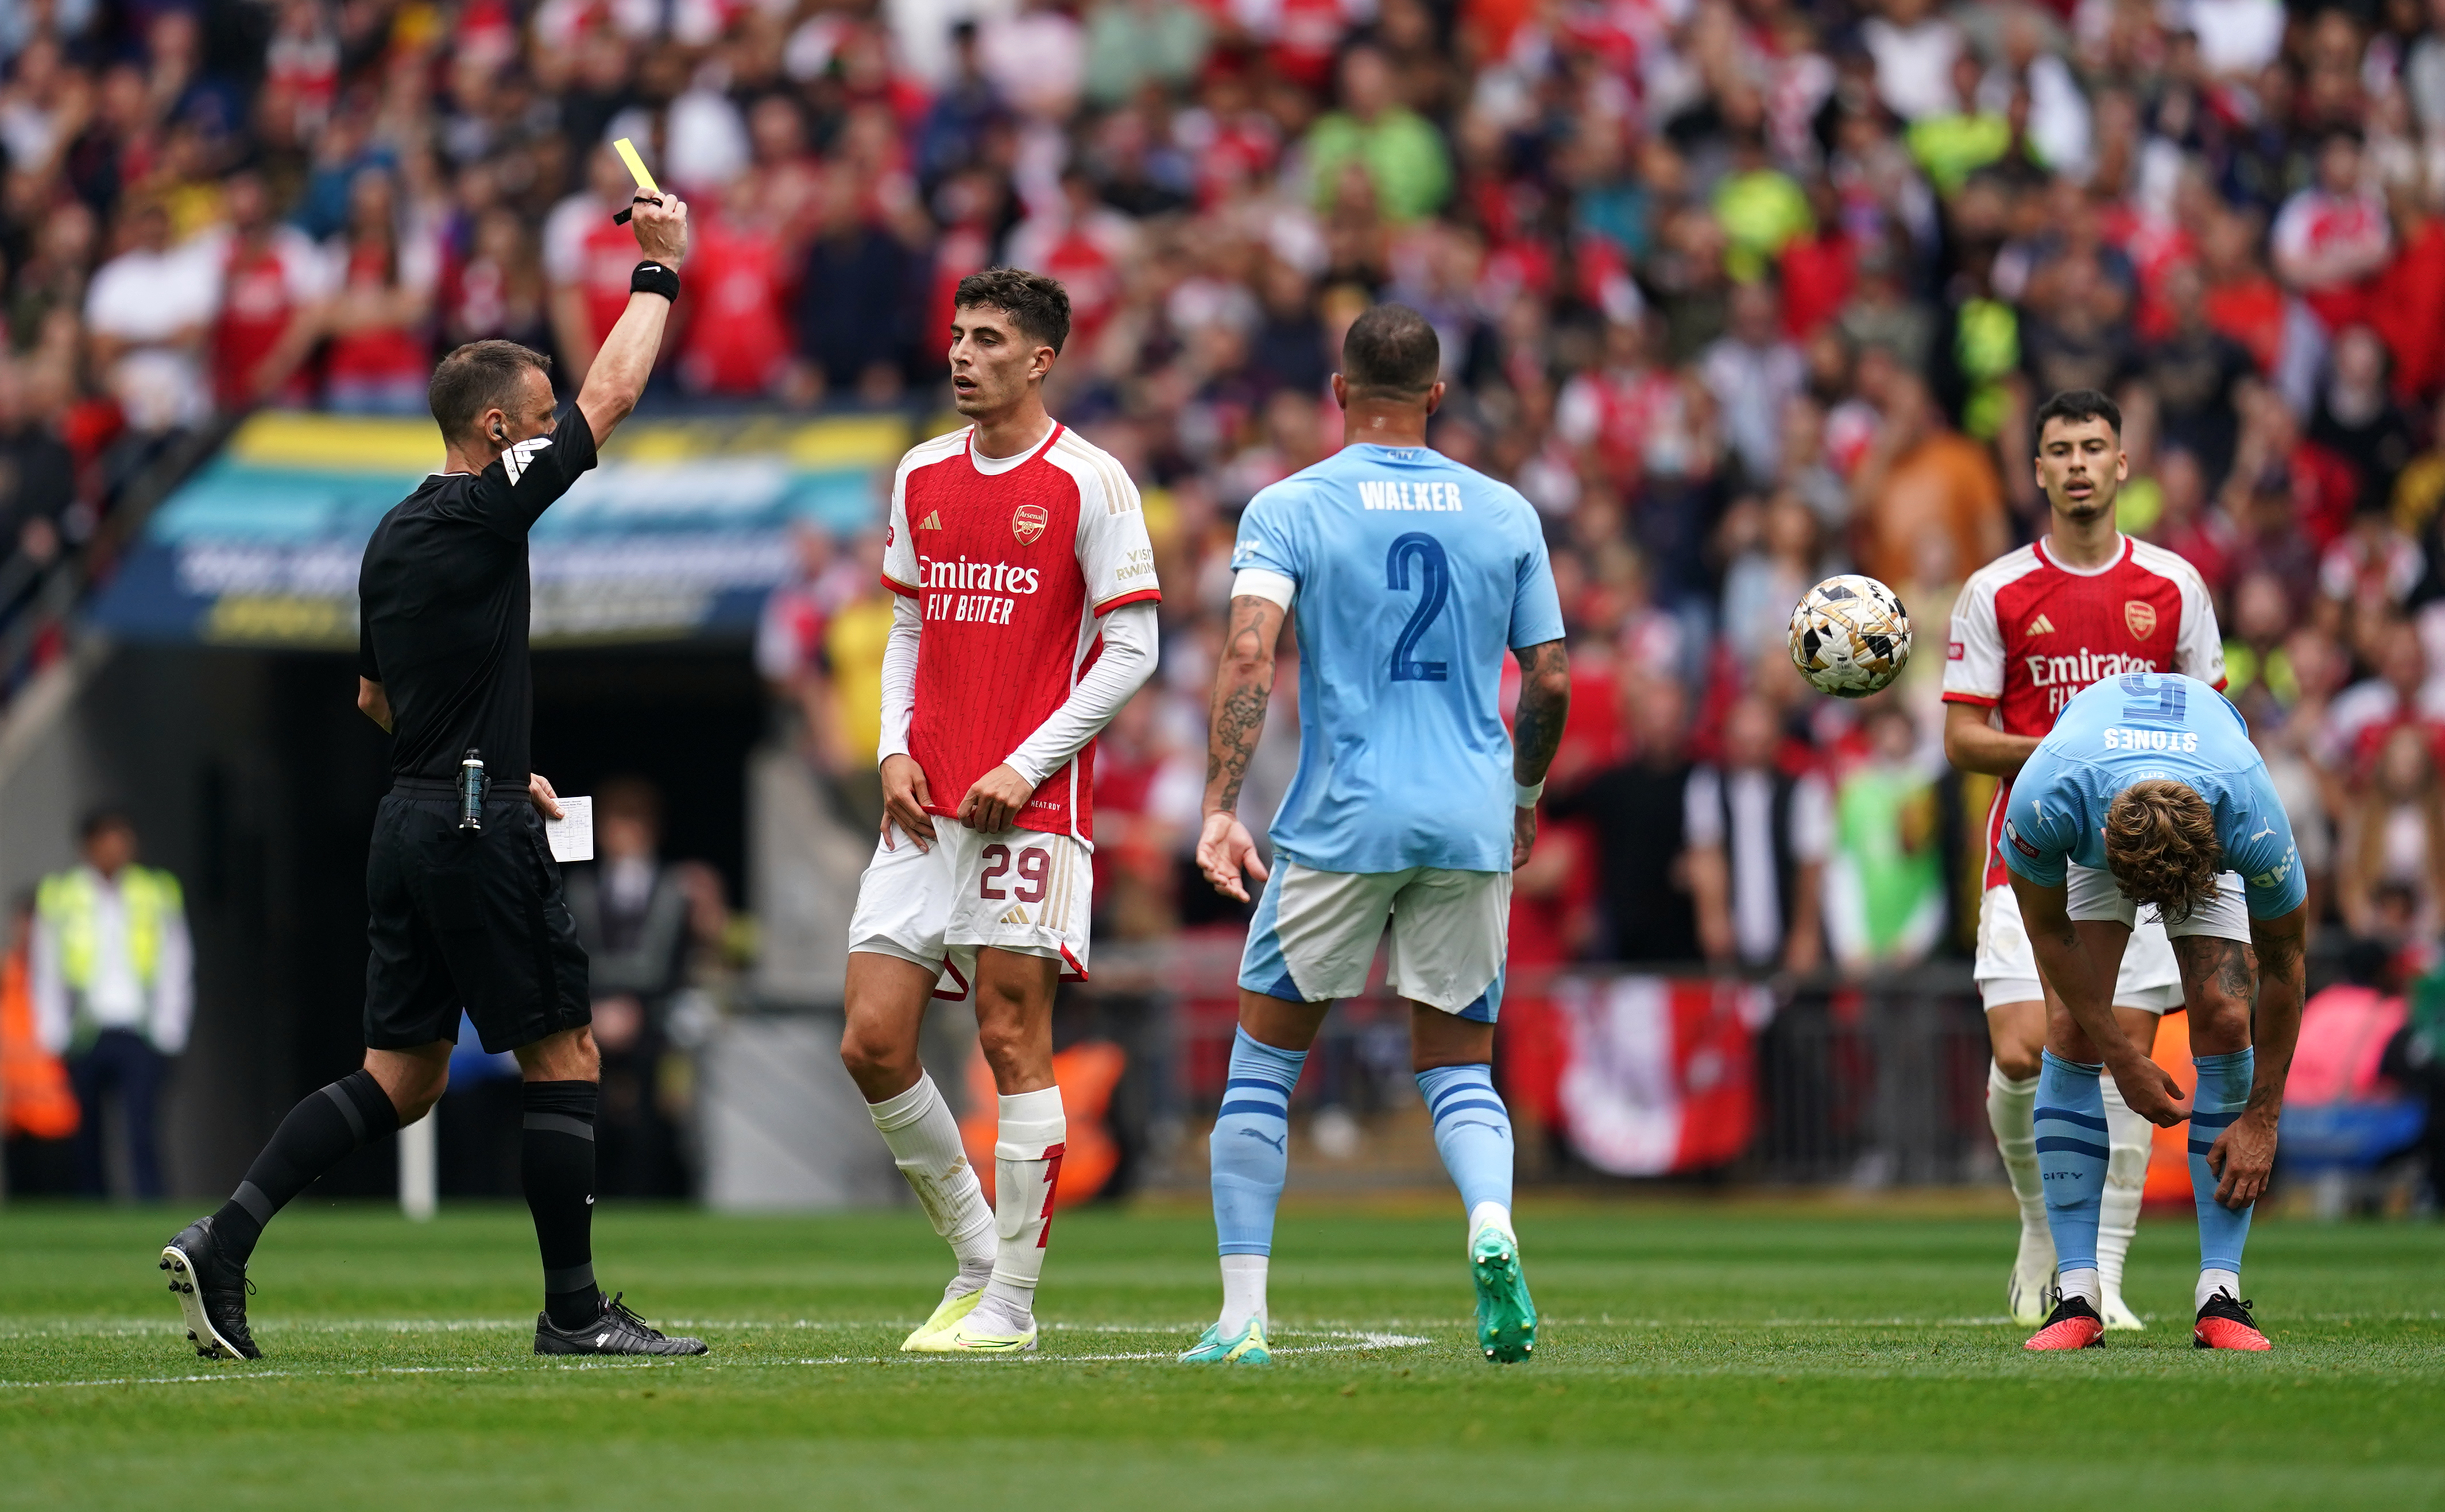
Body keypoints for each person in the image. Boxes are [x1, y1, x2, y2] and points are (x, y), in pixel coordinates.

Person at [157, 188, 706, 1362]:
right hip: (465, 822)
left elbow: (374, 699)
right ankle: (572, 1313)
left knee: (400, 1078)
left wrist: (497, 768)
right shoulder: (478, 508)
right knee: (566, 1052)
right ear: (502, 429)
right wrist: (657, 272)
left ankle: (227, 1239)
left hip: (415, 813)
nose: (558, 425)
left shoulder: (395, 533)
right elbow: (609, 399)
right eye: (539, 415)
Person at [1190, 302, 1570, 1366]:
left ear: (1337, 390)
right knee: (1457, 1066)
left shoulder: (1287, 504)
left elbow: (1250, 654)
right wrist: (1524, 790)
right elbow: (1547, 674)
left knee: (1261, 1068)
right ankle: (1489, 1220)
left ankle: (1242, 1318)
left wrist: (1221, 804)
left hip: (1340, 814)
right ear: (1437, 397)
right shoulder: (1504, 511)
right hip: (1466, 812)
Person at [836, 267, 1161, 1355]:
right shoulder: (920, 471)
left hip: (1029, 811)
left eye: (986, 339)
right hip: (922, 807)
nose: (961, 354)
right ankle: (977, 1259)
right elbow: (911, 629)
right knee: (872, 1040)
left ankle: (1012, 1307)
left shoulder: (1090, 480)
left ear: (1040, 358)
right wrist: (889, 746)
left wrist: (1026, 765)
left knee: (1010, 1036)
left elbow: (1132, 648)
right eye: (957, 335)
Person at [1943, 387, 2227, 1331]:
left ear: (2121, 465)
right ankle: (2038, 1226)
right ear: (2036, 470)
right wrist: (2077, 744)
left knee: (2119, 1058)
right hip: (2028, 856)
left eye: (2091, 446)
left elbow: (2214, 721)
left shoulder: (2173, 587)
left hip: (2141, 863)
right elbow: (1961, 740)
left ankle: (2097, 1276)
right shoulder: (1996, 591)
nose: (2074, 462)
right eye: (2057, 447)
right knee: (2023, 1048)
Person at [2003, 671, 2307, 1352]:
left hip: (2199, 790)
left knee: (2227, 1015)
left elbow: (2286, 966)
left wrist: (2263, 1117)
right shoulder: (2050, 795)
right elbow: (2048, 933)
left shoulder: (2249, 815)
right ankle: (2076, 1295)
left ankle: (2220, 1294)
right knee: (2074, 1029)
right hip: (2101, 798)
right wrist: (2121, 1057)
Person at [34, 808, 191, 1199]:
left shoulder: (154, 891)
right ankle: (93, 1206)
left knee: (142, 1127)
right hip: (86, 1030)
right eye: (107, 840)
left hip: (139, 1029)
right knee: (85, 1133)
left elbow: (177, 961)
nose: (116, 849)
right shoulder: (63, 894)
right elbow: (47, 966)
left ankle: (150, 1205)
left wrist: (171, 1027)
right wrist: (52, 1032)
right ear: (89, 846)